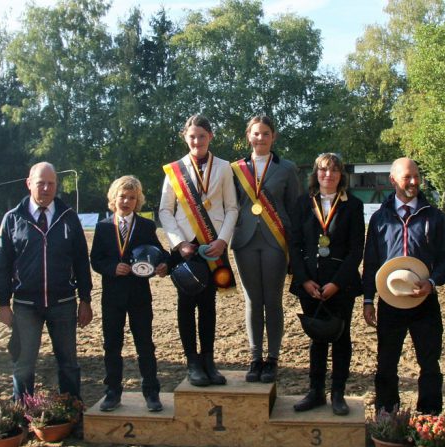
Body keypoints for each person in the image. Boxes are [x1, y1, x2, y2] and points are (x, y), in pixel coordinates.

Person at [363, 157, 445, 415]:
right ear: (393, 180)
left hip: (425, 302)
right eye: (407, 177)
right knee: (386, 363)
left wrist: (432, 281)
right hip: (390, 303)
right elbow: (371, 261)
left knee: (429, 363)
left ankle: (429, 418)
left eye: (417, 176)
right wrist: (368, 300)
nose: (414, 182)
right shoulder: (380, 219)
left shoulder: (434, 217)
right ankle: (387, 416)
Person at [0, 162, 93, 402]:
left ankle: (71, 410)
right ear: (29, 183)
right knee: (24, 364)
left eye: (51, 183)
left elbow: (81, 261)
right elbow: (3, 265)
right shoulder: (12, 219)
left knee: (68, 363)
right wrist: (3, 303)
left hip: (63, 303)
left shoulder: (69, 217)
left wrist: (85, 299)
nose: (46, 188)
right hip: (26, 305)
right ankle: (23, 413)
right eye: (41, 183)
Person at [159, 114, 238, 387]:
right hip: (184, 249)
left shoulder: (225, 167)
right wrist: (179, 243)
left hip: (212, 246)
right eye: (192, 136)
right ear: (185, 137)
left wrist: (223, 240)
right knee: (186, 305)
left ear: (210, 137)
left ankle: (208, 361)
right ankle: (191, 362)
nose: (196, 141)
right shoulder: (174, 170)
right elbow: (165, 211)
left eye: (202, 136)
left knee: (208, 306)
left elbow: (232, 208)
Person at [288, 153, 364, 414]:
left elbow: (356, 251)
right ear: (316, 173)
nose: (328, 175)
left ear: (341, 175)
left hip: (340, 284)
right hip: (310, 283)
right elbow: (294, 246)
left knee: (341, 338)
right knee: (317, 338)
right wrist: (304, 280)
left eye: (333, 170)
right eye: (323, 170)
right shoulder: (302, 204)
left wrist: (337, 283)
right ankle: (315, 391)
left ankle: (339, 394)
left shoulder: (353, 205)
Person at [230, 115, 304, 384]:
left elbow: (295, 207)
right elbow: (230, 205)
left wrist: (295, 248)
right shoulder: (235, 169)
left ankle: (272, 358)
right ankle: (255, 358)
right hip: (244, 240)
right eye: (255, 133)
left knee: (272, 300)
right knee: (252, 299)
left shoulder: (286, 168)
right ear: (248, 136)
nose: (260, 138)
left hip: (275, 240)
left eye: (265, 133)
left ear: (274, 137)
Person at [91, 176, 168, 412]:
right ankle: (113, 392)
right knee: (112, 345)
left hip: (139, 295)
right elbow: (96, 259)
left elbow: (160, 253)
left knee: (145, 344)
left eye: (132, 198)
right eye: (122, 196)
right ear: (114, 198)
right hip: (112, 296)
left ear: (138, 201)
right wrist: (112, 268)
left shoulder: (146, 226)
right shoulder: (103, 227)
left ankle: (151, 393)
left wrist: (164, 265)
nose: (126, 201)